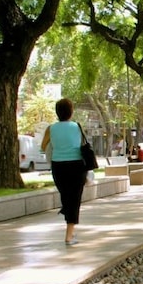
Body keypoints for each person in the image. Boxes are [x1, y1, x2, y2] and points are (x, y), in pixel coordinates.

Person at [40, 98, 88, 246]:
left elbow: (43, 146)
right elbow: (83, 145)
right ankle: (69, 235)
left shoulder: (51, 128)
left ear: (57, 112)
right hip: (77, 166)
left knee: (66, 197)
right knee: (74, 199)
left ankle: (70, 228)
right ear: (71, 111)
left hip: (58, 167)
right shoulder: (77, 127)